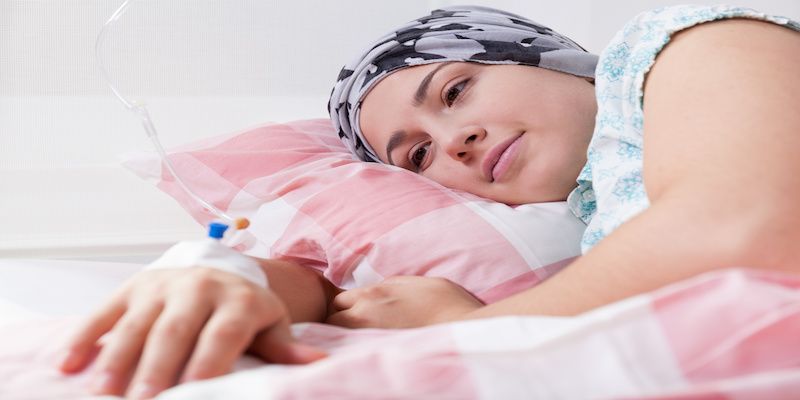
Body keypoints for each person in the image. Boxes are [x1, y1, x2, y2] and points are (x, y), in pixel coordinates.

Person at [57, 4, 800, 399]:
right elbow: (347, 294)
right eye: (419, 155)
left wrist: (474, 330)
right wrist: (226, 274)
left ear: (541, 58)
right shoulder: (580, 221)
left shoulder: (690, 42)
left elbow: (745, 229)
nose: (458, 141)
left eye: (454, 90)